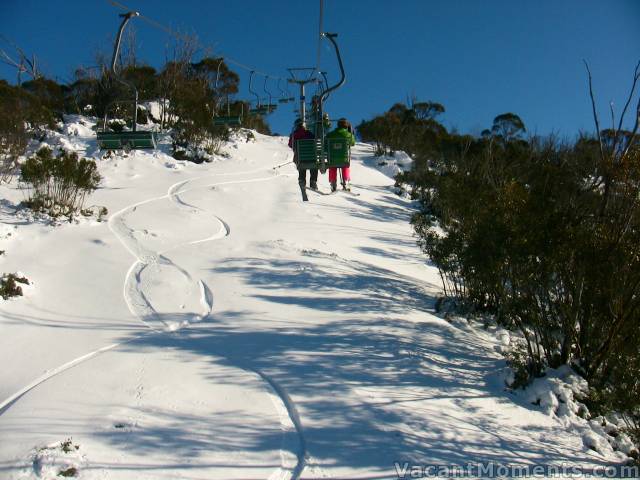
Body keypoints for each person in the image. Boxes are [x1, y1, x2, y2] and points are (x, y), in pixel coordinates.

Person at [325, 117, 356, 192]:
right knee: (345, 165)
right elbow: (353, 143)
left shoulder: (330, 134)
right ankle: (346, 182)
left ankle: (333, 184)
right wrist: (350, 132)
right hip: (343, 158)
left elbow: (325, 146)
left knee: (332, 166)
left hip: (332, 158)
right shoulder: (348, 134)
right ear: (346, 126)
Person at [288, 118, 318, 190]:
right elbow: (315, 142)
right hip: (311, 157)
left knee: (301, 164)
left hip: (300, 158)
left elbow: (290, 145)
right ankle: (313, 181)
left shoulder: (294, 134)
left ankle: (302, 180)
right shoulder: (309, 133)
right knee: (313, 165)